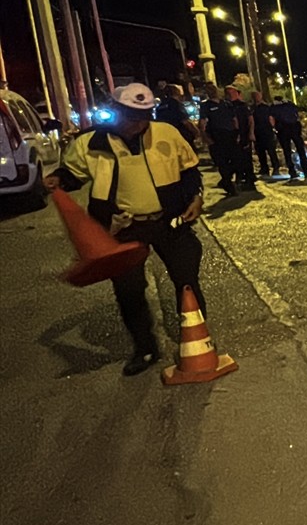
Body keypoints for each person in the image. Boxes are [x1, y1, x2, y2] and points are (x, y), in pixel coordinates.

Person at [44, 83, 206, 376]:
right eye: (131, 116)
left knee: (187, 282)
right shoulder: (90, 144)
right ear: (116, 111)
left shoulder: (166, 134)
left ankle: (196, 341)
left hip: (170, 221)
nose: (139, 123)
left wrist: (196, 197)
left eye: (144, 116)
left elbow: (189, 170)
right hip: (123, 228)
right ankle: (144, 348)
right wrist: (58, 179)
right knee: (129, 291)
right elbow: (72, 175)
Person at [199, 83, 240, 195]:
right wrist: (205, 138)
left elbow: (234, 119)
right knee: (221, 163)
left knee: (236, 160)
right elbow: (202, 123)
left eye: (213, 89)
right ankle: (229, 185)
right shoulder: (206, 106)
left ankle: (225, 180)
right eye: (208, 89)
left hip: (230, 135)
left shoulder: (226, 104)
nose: (212, 91)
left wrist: (237, 133)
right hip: (216, 136)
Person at [271, 94, 307, 182]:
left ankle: (293, 173)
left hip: (283, 130)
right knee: (301, 151)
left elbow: (271, 120)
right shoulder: (290, 104)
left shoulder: (273, 107)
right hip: (294, 129)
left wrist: (275, 129)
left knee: (287, 153)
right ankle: (306, 173)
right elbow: (297, 115)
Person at [227, 86, 256, 191]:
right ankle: (239, 178)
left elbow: (250, 120)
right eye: (228, 92)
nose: (230, 94)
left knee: (247, 158)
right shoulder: (227, 106)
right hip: (233, 136)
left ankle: (249, 180)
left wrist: (251, 133)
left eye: (232, 92)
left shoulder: (243, 106)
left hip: (244, 135)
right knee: (236, 158)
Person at [155, 83, 200, 148]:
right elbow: (185, 122)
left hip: (166, 137)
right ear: (176, 93)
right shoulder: (175, 104)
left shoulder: (159, 107)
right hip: (180, 136)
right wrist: (196, 132)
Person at [250, 90, 281, 176]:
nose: (256, 97)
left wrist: (273, 128)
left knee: (271, 151)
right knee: (260, 152)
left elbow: (272, 118)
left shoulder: (267, 107)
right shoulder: (251, 108)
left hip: (267, 132)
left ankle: (276, 167)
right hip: (257, 132)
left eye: (257, 95)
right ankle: (264, 168)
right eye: (254, 96)